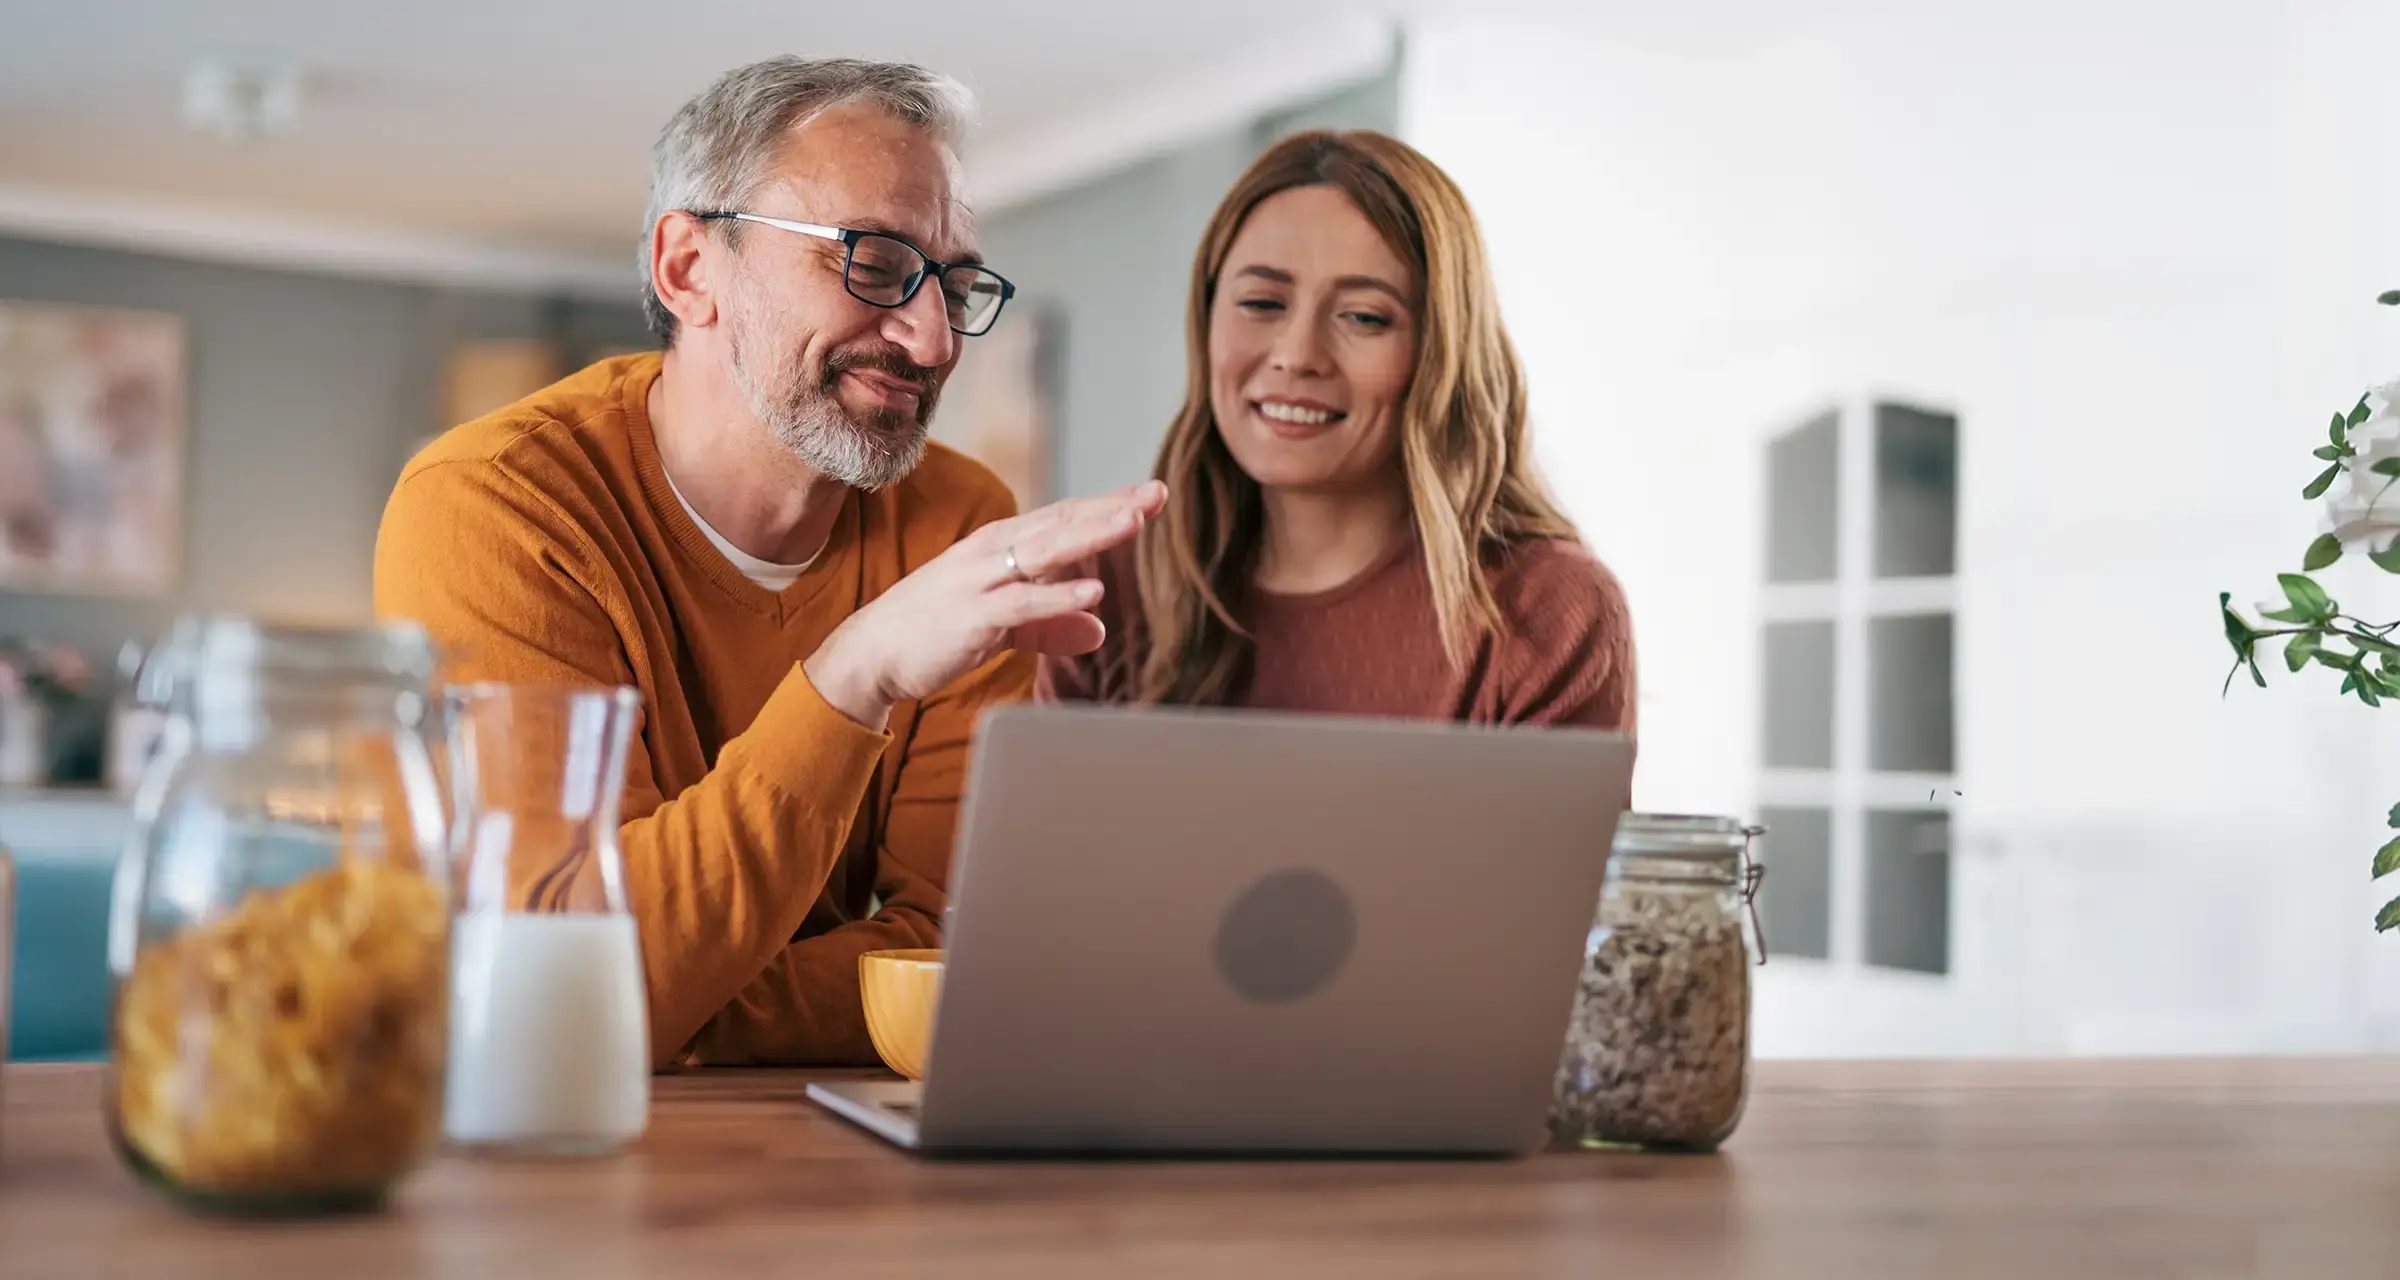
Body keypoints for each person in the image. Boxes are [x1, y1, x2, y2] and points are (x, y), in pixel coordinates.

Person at [375, 57, 1164, 1068]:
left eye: (955, 284)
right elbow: (561, 993)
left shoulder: (961, 519)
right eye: (874, 264)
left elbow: (957, 956)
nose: (931, 338)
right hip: (533, 1157)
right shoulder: (492, 506)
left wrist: (685, 1007)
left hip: (830, 1162)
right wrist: (853, 675)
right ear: (689, 270)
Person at [1040, 130, 1635, 729]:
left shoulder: (1550, 608)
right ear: (1206, 321)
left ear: (1441, 352)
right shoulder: (1100, 587)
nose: (1297, 356)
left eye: (1365, 317)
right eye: (1263, 304)